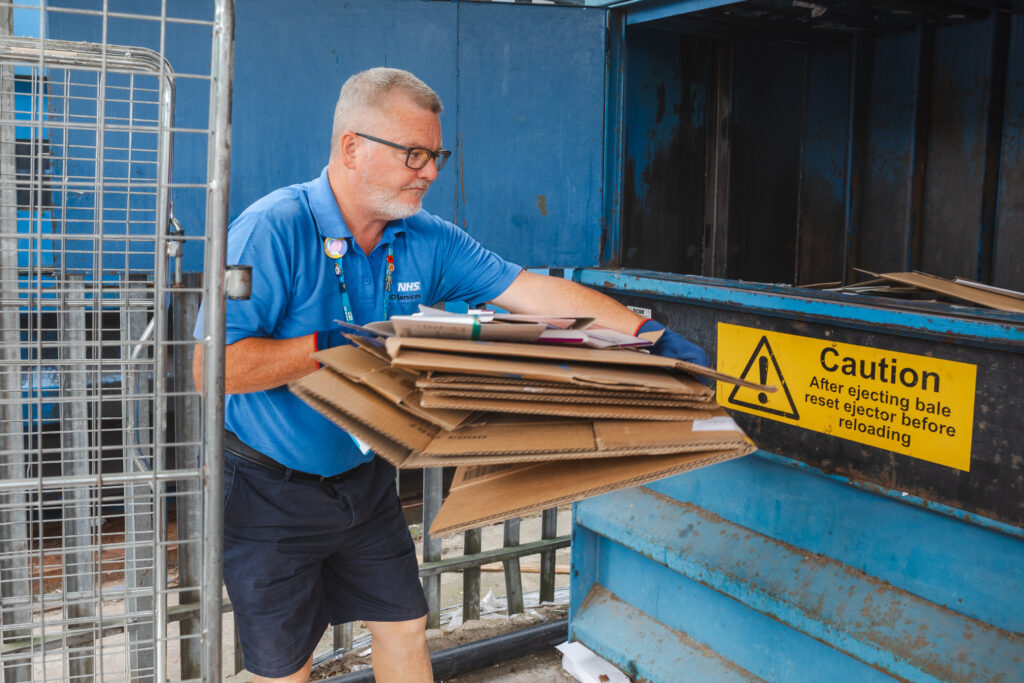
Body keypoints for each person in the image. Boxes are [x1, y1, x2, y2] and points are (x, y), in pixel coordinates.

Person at [192, 67, 707, 683]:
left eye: (436, 154)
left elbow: (530, 291)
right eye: (414, 154)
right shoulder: (272, 228)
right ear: (352, 147)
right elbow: (211, 369)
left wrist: (650, 338)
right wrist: (330, 345)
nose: (431, 172)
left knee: (405, 626)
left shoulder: (425, 237)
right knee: (284, 667)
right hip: (268, 483)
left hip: (364, 475)